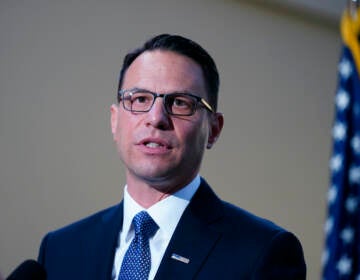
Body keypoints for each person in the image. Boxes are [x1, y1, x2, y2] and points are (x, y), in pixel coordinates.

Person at [38, 34, 306, 279]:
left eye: (180, 102)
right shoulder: (61, 249)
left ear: (213, 129)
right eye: (140, 99)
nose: (156, 118)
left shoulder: (262, 252)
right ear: (114, 121)